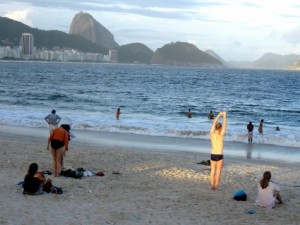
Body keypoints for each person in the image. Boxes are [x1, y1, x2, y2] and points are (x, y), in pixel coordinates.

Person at [209, 111, 227, 191]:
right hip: (219, 155)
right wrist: (224, 116)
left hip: (213, 154)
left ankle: (212, 185)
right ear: (220, 128)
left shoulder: (212, 134)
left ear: (216, 127)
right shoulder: (221, 134)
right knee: (218, 171)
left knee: (212, 171)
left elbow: (213, 123)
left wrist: (219, 115)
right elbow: (225, 125)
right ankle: (216, 186)